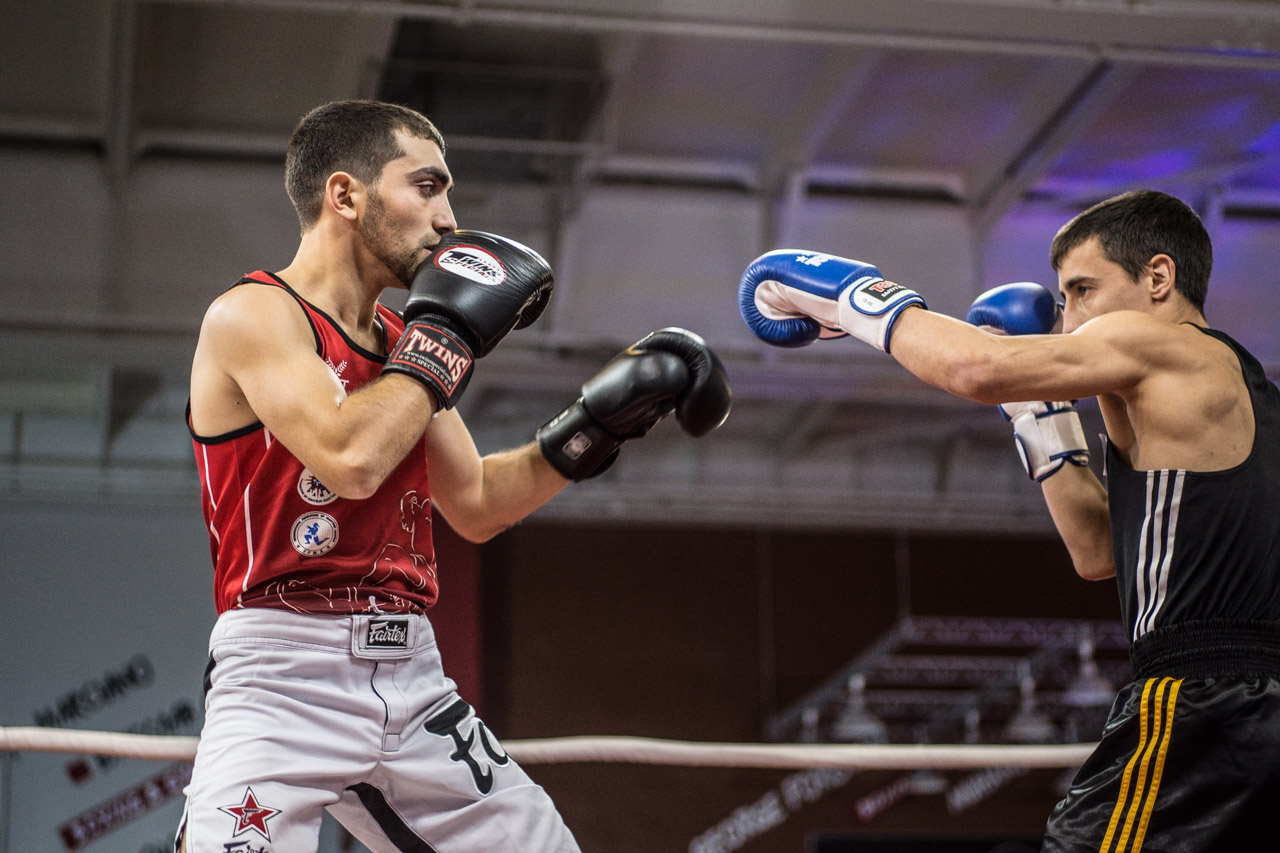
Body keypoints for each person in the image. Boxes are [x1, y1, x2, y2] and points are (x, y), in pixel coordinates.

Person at [179, 99, 731, 853]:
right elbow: (350, 459)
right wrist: (444, 340)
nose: (448, 218)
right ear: (346, 195)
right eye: (427, 186)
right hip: (282, 677)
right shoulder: (255, 315)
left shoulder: (404, 340)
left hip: (410, 676)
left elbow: (475, 502)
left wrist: (597, 425)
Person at [737, 189, 1280, 851]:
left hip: (1198, 700)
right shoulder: (1232, 390)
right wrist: (1040, 418)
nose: (1069, 317)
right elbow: (1099, 549)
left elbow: (976, 367)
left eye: (1083, 290)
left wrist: (851, 297)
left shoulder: (1162, 344)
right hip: (1250, 708)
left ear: (1158, 278)